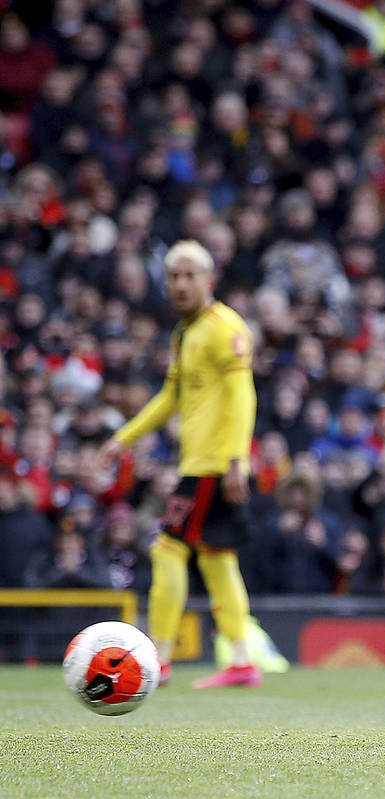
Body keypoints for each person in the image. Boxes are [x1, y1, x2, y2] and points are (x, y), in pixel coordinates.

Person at [98, 240, 262, 690]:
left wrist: (235, 460)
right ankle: (243, 660)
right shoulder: (184, 333)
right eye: (174, 276)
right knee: (215, 558)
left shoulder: (224, 327)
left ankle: (160, 659)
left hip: (212, 465)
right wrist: (123, 439)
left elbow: (242, 396)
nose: (182, 284)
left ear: (209, 280)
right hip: (203, 462)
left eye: (191, 275)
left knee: (167, 549)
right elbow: (170, 398)